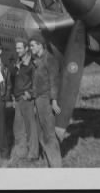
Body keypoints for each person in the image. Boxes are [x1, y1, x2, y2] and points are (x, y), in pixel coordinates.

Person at [29, 34, 62, 167]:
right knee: (42, 134)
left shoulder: (50, 59)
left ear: (40, 44)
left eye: (32, 46)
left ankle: (56, 166)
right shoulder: (37, 60)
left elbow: (54, 81)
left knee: (48, 134)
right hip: (38, 99)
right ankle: (50, 163)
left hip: (46, 100)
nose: (30, 48)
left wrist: (54, 100)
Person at [11, 38, 39, 161]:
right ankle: (22, 152)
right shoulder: (18, 63)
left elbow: (37, 83)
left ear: (26, 48)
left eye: (20, 48)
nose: (17, 51)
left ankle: (33, 154)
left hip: (26, 100)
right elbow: (14, 81)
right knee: (18, 127)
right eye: (16, 48)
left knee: (31, 128)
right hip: (17, 99)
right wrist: (13, 96)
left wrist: (30, 94)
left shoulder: (32, 65)